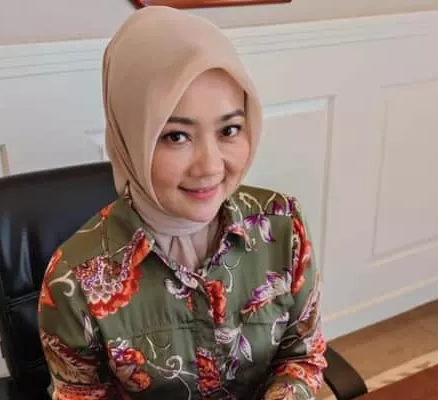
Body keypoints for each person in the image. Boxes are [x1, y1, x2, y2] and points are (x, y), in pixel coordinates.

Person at [38, 5, 327, 400]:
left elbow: (302, 357)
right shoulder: (74, 280)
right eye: (176, 136)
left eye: (229, 129)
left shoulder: (282, 225)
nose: (210, 166)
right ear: (131, 137)